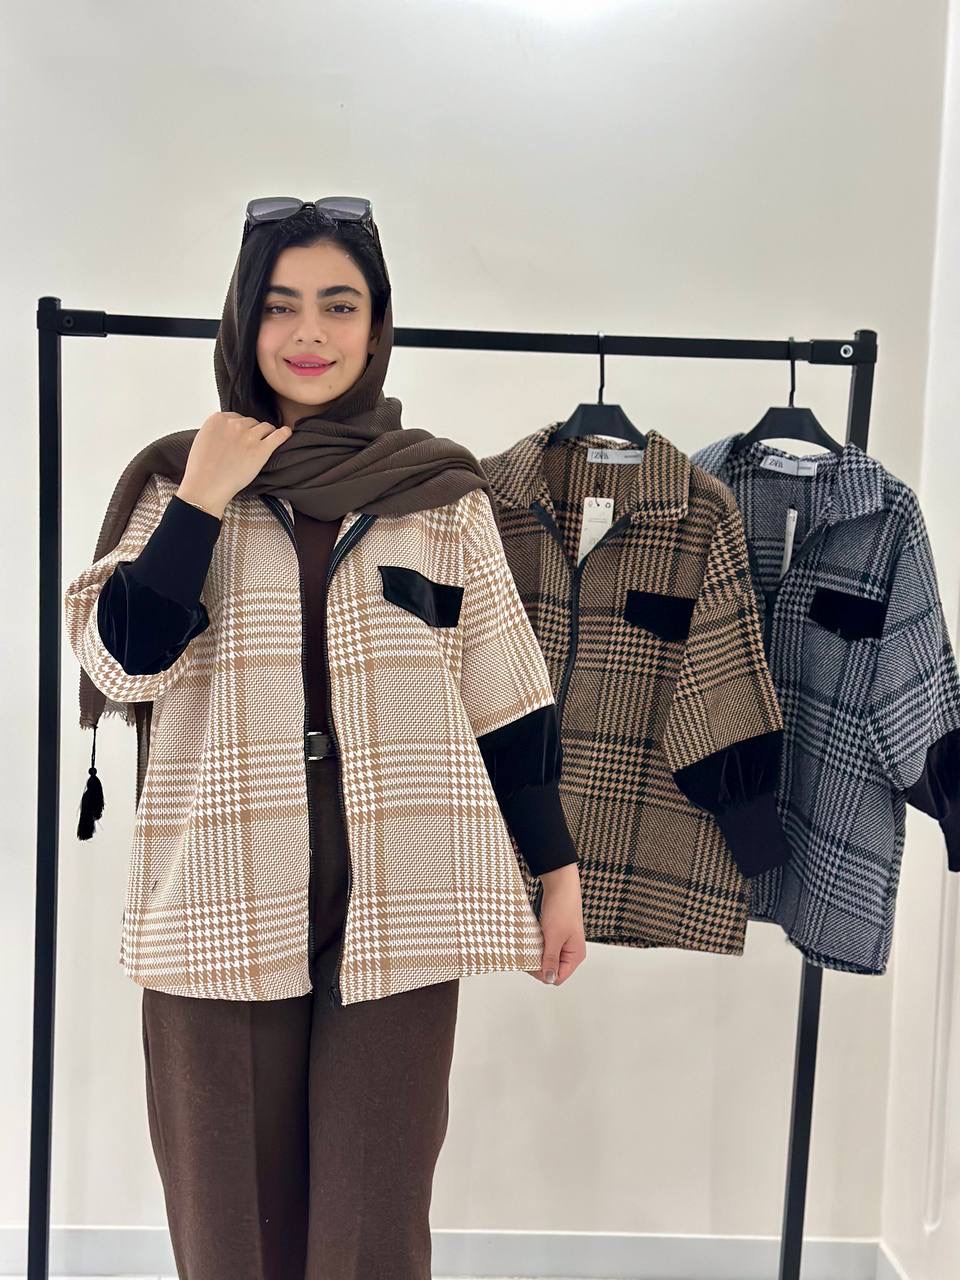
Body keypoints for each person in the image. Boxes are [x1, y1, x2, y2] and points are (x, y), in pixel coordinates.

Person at [63, 197, 586, 1279]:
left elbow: (507, 698)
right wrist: (204, 498)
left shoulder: (439, 495)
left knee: (373, 1227)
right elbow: (119, 662)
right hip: (217, 896)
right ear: (243, 322)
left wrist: (557, 870)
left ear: (376, 324)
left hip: (403, 898)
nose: (310, 332)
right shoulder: (175, 482)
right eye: (281, 305)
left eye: (339, 306)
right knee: (230, 1230)